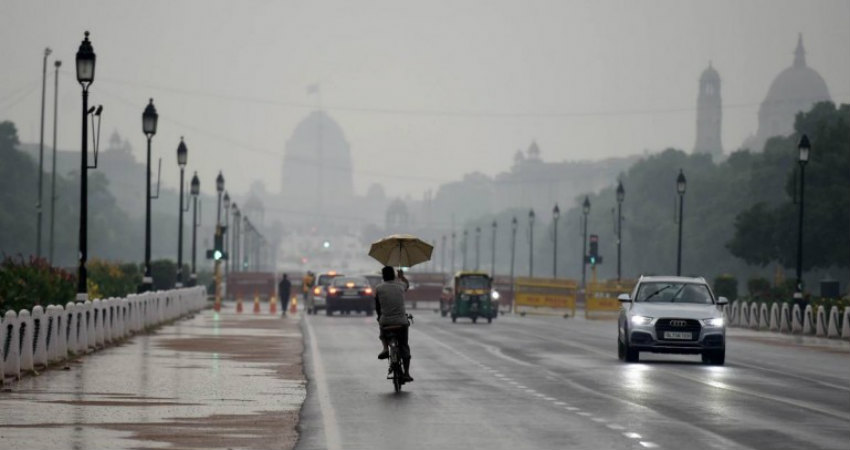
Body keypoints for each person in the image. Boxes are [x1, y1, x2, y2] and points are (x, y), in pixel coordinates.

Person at [374, 266, 413, 382]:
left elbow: (377, 306)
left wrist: (379, 317)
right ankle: (406, 373)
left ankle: (385, 348)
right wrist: (402, 277)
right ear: (393, 275)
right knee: (404, 346)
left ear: (383, 276)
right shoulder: (401, 286)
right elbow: (407, 285)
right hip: (401, 322)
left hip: (386, 322)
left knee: (382, 328)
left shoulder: (379, 288)